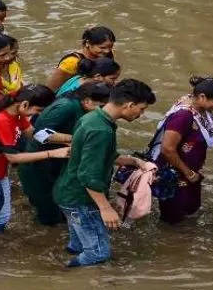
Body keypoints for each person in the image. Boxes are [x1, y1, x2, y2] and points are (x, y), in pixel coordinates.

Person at [53, 79, 156, 267]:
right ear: (129, 105)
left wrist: (135, 161)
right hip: (80, 199)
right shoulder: (101, 130)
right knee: (99, 254)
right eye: (141, 109)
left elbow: (98, 154)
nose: (141, 114)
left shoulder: (92, 118)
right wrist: (105, 208)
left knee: (78, 245)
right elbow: (88, 175)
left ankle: (67, 260)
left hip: (67, 191)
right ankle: (61, 273)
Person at [0, 84, 71, 232]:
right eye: (38, 111)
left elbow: (35, 134)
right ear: (25, 104)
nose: (37, 114)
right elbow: (13, 157)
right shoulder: (2, 120)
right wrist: (53, 153)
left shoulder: (17, 112)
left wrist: (71, 139)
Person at [19, 82, 113, 226]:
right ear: (87, 101)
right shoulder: (66, 107)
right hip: (38, 165)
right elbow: (39, 134)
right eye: (102, 106)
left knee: (61, 209)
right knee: (49, 213)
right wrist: (76, 139)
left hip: (56, 162)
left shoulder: (82, 107)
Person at [150, 77, 213, 224]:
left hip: (191, 171)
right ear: (202, 97)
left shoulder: (200, 108)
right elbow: (167, 149)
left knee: (191, 210)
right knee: (174, 217)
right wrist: (189, 173)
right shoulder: (183, 116)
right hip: (176, 174)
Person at [45, 26, 116, 92]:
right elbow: (51, 89)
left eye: (110, 47)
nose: (107, 51)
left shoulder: (108, 54)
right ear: (88, 43)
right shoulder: (71, 62)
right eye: (102, 47)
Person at [54, 56, 121, 98]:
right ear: (98, 76)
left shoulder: (79, 77)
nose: (116, 81)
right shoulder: (83, 91)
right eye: (113, 78)